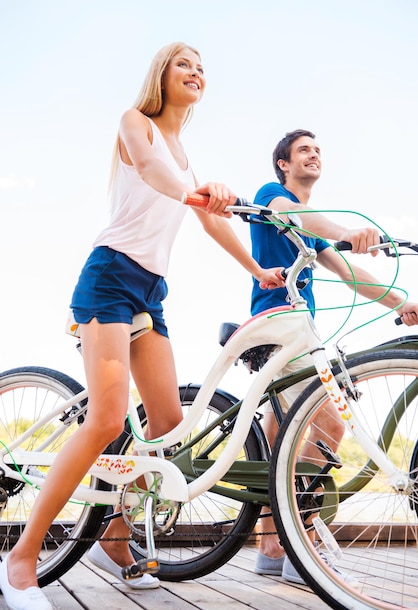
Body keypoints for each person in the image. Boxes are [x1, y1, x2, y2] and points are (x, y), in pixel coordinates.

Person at [0, 42, 286, 610]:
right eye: (185, 64)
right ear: (162, 73)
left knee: (167, 421)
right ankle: (22, 559)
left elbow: (209, 220)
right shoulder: (139, 125)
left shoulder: (185, 154)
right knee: (107, 417)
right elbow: (154, 172)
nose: (196, 72)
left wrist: (258, 268)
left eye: (202, 67)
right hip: (109, 277)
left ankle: (113, 534)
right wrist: (192, 192)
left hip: (150, 291)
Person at [251, 129, 418, 584]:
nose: (314, 154)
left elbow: (349, 274)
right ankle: (297, 545)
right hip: (278, 322)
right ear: (283, 163)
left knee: (278, 438)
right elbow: (291, 213)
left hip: (298, 330)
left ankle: (271, 546)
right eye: (304, 149)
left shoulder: (308, 221)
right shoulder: (275, 197)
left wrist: (400, 303)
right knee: (327, 419)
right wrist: (347, 231)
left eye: (318, 150)